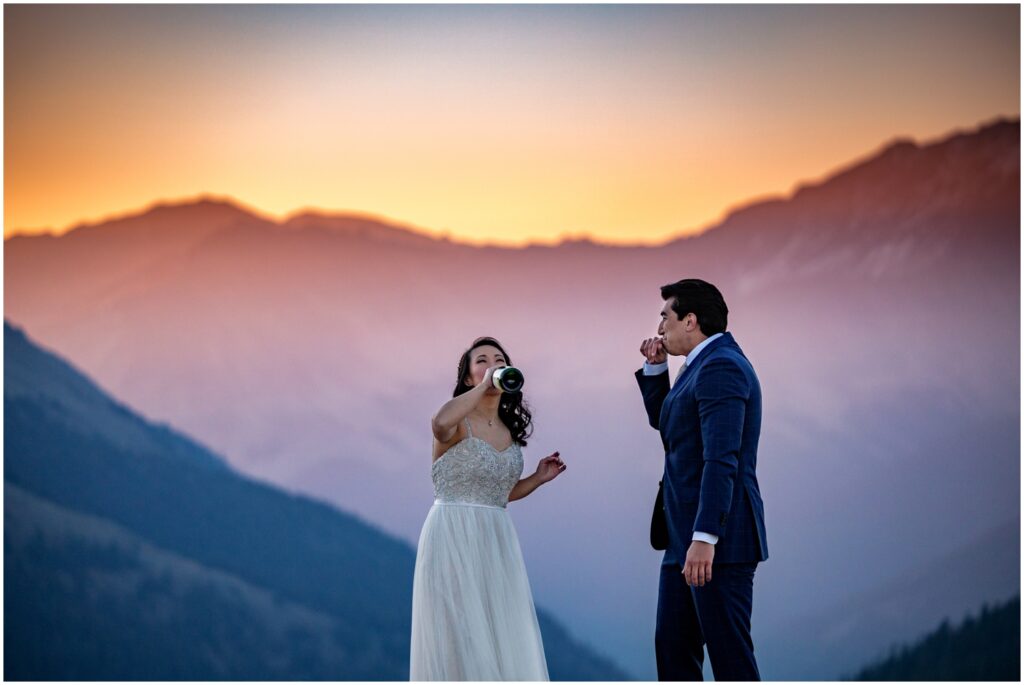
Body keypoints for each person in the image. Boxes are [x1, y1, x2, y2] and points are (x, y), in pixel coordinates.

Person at [410, 336, 566, 681]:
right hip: (452, 534)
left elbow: (498, 494)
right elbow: (438, 423)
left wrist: (537, 478)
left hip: (495, 538)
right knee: (461, 633)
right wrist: (484, 387)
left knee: (499, 632)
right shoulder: (456, 423)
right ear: (468, 377)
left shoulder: (508, 430)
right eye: (482, 361)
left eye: (499, 360)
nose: (493, 365)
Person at [635, 279, 768, 681]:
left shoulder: (721, 367)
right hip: (683, 541)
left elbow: (721, 459)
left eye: (666, 317)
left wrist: (706, 537)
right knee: (674, 653)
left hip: (716, 545)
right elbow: (671, 425)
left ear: (690, 320)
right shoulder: (700, 365)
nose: (660, 328)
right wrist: (657, 369)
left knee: (730, 661)